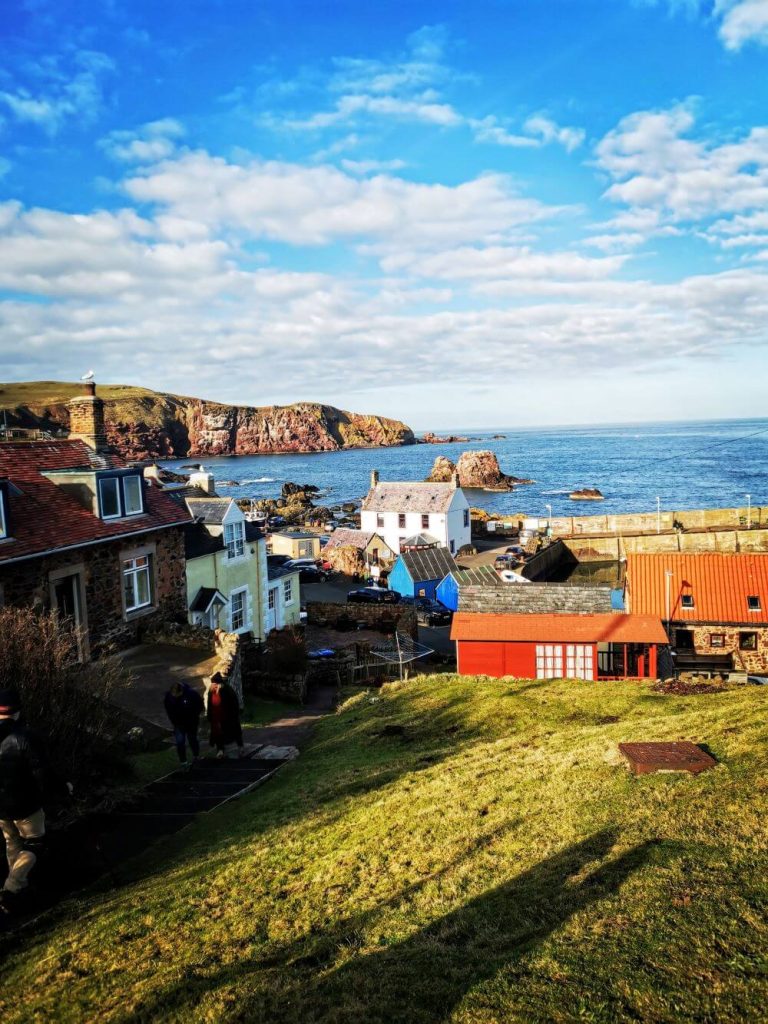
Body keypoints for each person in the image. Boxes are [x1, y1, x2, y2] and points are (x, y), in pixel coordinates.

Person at [0, 688, 63, 924]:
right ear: (17, 711)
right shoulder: (25, 737)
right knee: (36, 842)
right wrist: (60, 790)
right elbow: (42, 772)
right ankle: (12, 887)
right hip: (24, 803)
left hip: (1, 806)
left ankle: (19, 890)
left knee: (12, 842)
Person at [163, 682, 205, 766]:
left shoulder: (191, 694)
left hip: (191, 722)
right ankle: (183, 762)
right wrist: (174, 721)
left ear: (181, 691)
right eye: (174, 695)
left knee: (192, 738)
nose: (176, 697)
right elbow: (169, 710)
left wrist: (194, 716)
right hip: (178, 723)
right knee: (180, 742)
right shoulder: (169, 697)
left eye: (177, 695)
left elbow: (200, 706)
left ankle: (196, 756)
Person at [206, 673, 244, 759]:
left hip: (229, 716)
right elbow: (209, 704)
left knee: (235, 732)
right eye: (213, 683)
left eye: (216, 684)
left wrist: (234, 715)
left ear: (220, 684)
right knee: (218, 733)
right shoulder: (211, 691)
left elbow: (234, 703)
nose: (214, 685)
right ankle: (220, 750)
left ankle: (240, 747)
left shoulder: (227, 690)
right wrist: (209, 715)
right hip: (216, 717)